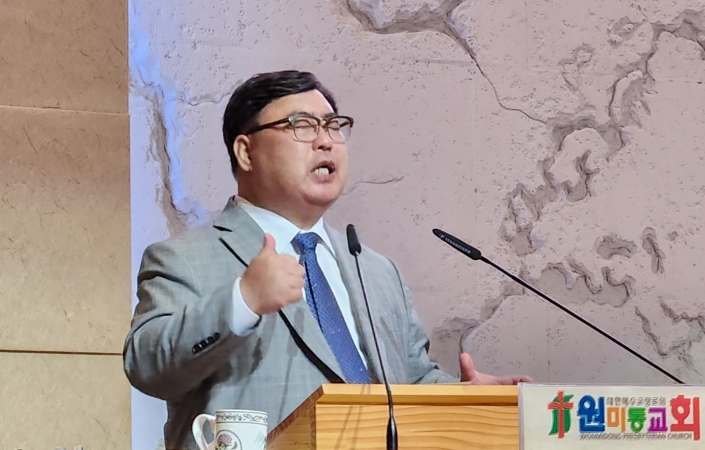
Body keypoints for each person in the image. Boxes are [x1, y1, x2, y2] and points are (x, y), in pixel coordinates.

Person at [123, 70, 532, 449]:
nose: (326, 141)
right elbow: (146, 365)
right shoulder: (184, 258)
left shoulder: (374, 270)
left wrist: (466, 397)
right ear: (246, 152)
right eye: (301, 125)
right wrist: (242, 301)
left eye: (334, 125)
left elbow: (409, 381)